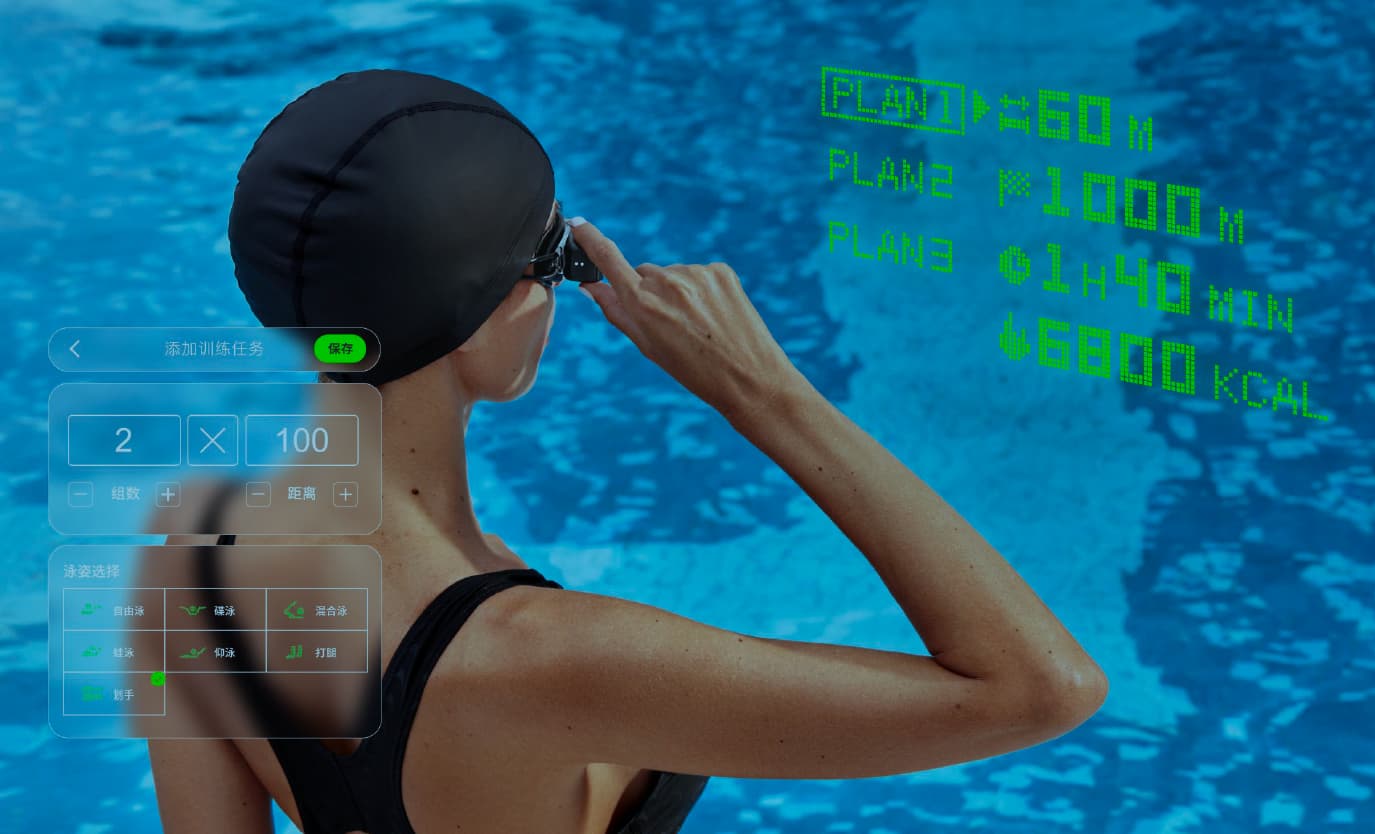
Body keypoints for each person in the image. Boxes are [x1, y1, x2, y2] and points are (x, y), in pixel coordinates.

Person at [146, 69, 1108, 834]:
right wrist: (765, 391)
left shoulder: (180, 561)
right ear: (490, 315)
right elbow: (1039, 688)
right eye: (552, 260)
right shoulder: (555, 660)